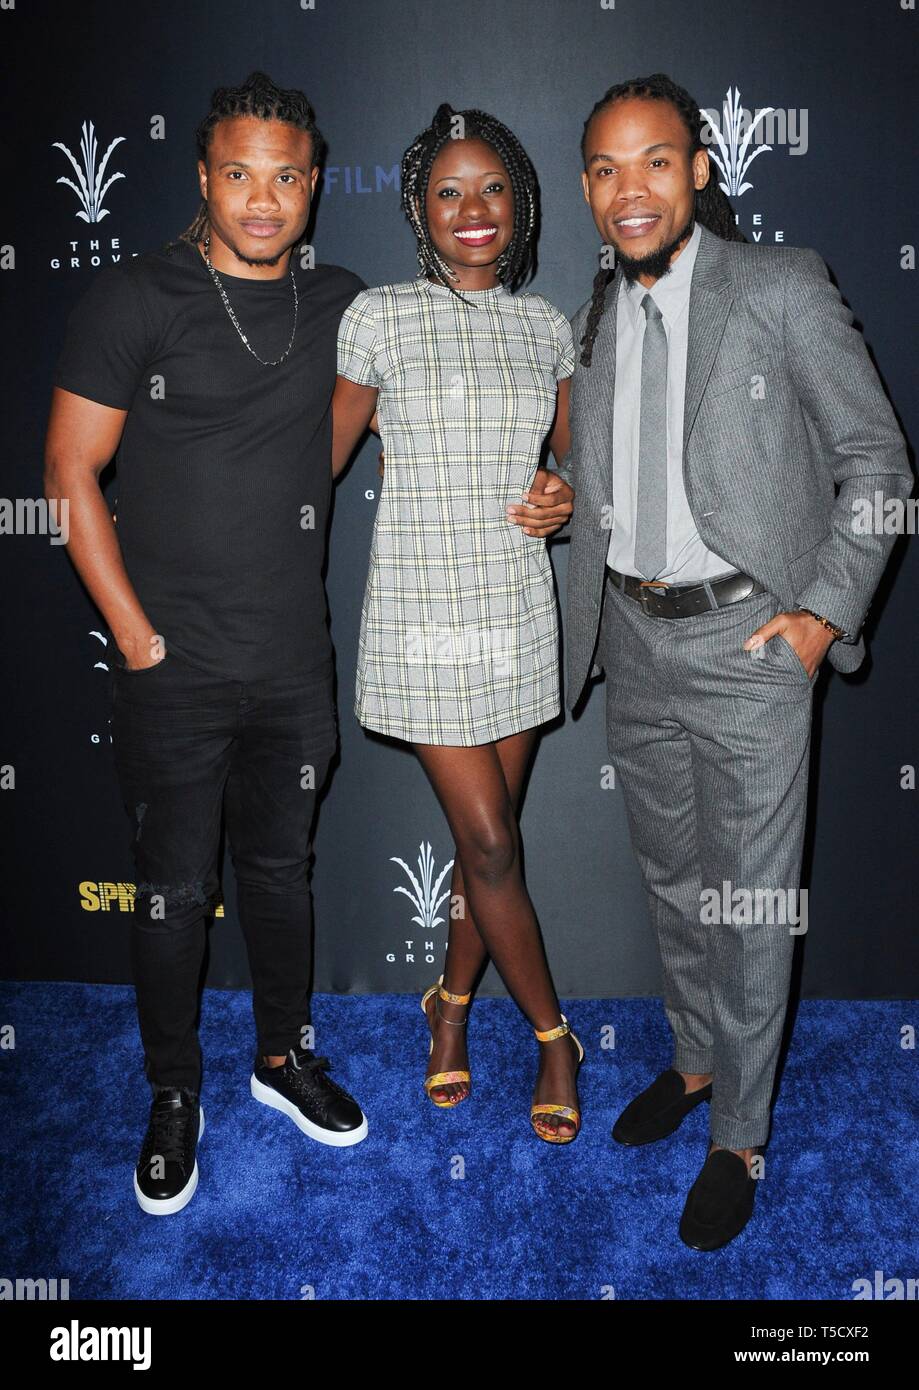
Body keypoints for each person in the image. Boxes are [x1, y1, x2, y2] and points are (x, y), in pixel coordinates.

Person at [556, 73, 912, 1244]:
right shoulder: (596, 310)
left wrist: (820, 615)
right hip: (632, 633)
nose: (630, 189)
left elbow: (879, 464)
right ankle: (698, 1059)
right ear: (588, 189)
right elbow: (622, 471)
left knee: (750, 902)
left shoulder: (779, 284)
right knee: (673, 879)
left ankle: (740, 1136)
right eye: (606, 169)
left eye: (654, 161)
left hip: (747, 640)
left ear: (698, 170)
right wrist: (565, 500)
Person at [44, 72, 369, 1217]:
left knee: (280, 874)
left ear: (313, 184)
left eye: (286, 176)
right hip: (170, 672)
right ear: (203, 177)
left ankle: (281, 1056)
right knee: (172, 895)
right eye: (240, 174)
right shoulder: (137, 295)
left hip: (291, 665)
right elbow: (67, 471)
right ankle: (172, 1090)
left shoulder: (343, 303)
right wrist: (136, 639)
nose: (263, 198)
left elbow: (343, 445)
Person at [332, 105, 582, 1142]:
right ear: (417, 210)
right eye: (447, 191)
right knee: (485, 840)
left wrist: (562, 495)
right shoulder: (378, 318)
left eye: (491, 188)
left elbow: (572, 468)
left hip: (516, 609)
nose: (471, 208)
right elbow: (315, 461)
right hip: (422, 615)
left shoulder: (547, 327)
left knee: (492, 850)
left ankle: (449, 1008)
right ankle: (555, 1038)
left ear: (520, 203)